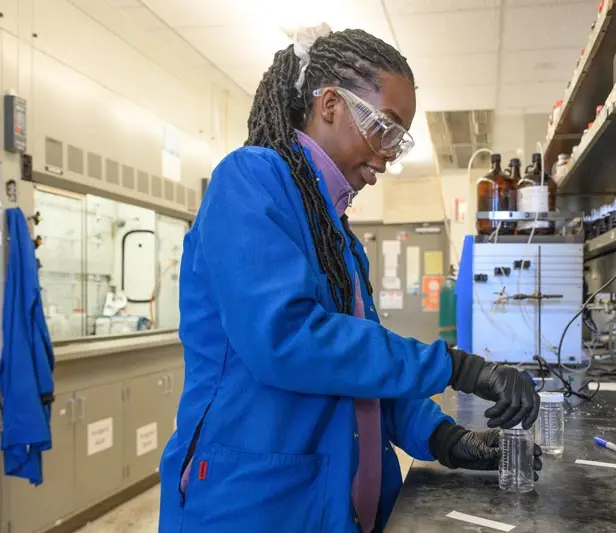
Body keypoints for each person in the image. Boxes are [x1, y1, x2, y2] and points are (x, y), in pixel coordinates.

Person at [158, 25, 542, 533]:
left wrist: (447, 438)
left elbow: (362, 370)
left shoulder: (333, 229)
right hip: (255, 504)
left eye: (398, 140)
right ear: (331, 105)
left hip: (336, 502)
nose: (388, 153)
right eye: (384, 128)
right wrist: (455, 367)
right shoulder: (250, 180)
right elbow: (288, 340)